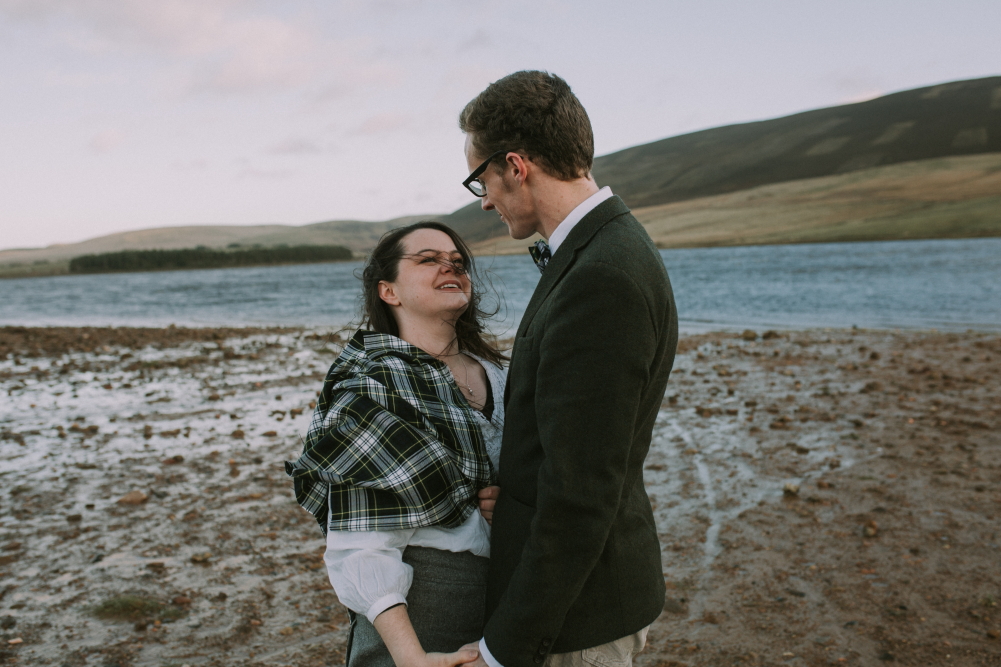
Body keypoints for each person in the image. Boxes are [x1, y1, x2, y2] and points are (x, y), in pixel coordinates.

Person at [457, 71, 679, 667]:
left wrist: (504, 649)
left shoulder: (601, 277)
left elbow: (581, 496)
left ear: (515, 166)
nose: (483, 200)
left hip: (579, 623)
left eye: (481, 178)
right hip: (582, 603)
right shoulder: (605, 249)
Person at [285, 221, 507, 667]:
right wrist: (412, 657)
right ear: (389, 291)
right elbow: (360, 542)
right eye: (428, 259)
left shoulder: (499, 374)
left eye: (458, 261)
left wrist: (513, 502)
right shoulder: (370, 384)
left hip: (504, 603)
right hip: (421, 610)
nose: (451, 267)